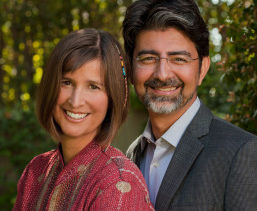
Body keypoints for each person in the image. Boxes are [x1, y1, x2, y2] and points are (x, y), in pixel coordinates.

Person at [122, 0, 257, 211]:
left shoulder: (243, 154)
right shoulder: (131, 156)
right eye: (148, 58)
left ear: (202, 68)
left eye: (178, 59)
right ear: (130, 67)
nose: (162, 74)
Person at [13, 28, 154, 210]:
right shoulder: (36, 170)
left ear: (113, 98)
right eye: (67, 82)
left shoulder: (118, 184)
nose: (75, 100)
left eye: (93, 86)